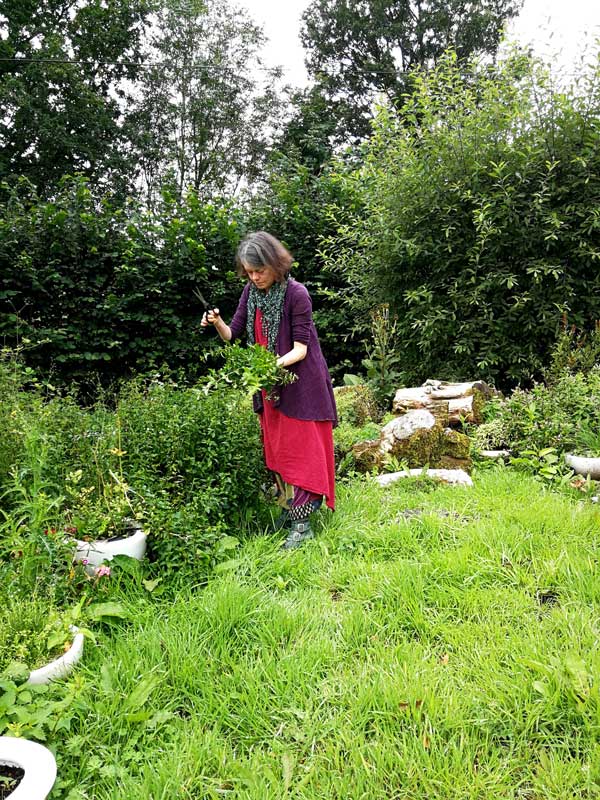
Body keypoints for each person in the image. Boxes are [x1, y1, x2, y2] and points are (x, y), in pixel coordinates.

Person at [201, 231, 337, 549]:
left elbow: (300, 349)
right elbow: (232, 335)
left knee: (302, 450)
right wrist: (217, 321)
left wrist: (266, 368)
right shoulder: (252, 293)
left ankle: (303, 524)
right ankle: (291, 510)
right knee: (279, 449)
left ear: (275, 264)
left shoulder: (297, 294)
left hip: (301, 385)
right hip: (270, 386)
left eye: (259, 270)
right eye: (249, 272)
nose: (254, 277)